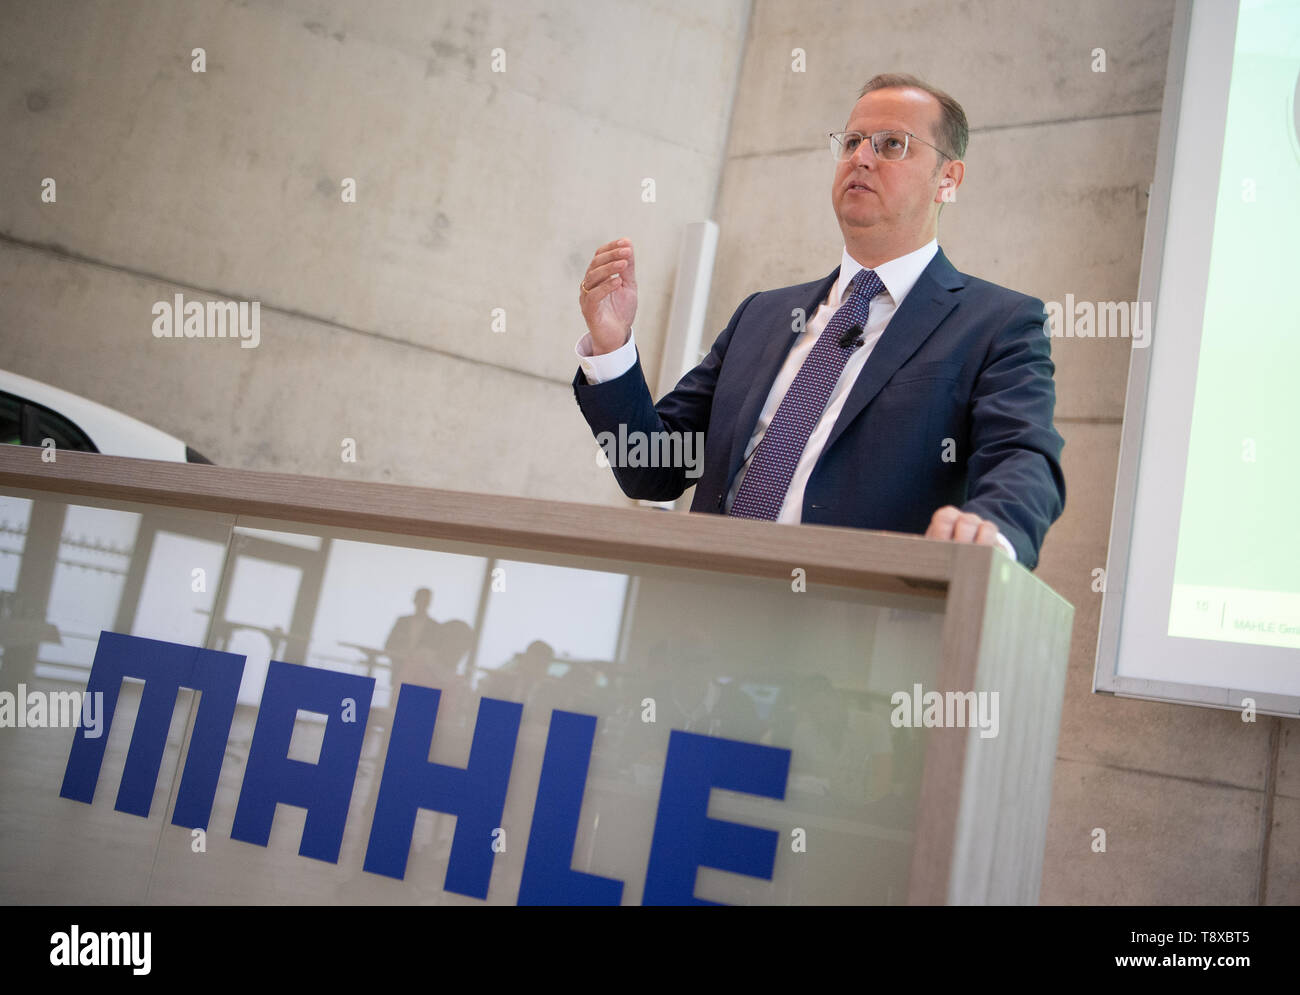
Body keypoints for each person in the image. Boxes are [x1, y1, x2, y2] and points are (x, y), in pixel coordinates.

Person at [571, 73, 1065, 569]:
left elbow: (1023, 457)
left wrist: (992, 536)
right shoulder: (761, 316)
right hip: (704, 607)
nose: (861, 158)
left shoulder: (997, 324)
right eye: (851, 142)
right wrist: (612, 346)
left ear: (948, 180)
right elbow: (653, 469)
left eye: (892, 144)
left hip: (850, 622)